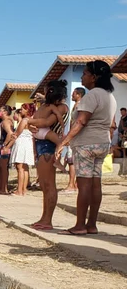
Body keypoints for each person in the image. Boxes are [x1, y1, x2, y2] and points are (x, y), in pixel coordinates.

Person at [56, 60, 116, 235]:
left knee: (84, 186)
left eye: (85, 73)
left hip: (86, 144)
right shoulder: (109, 96)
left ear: (94, 77)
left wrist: (64, 142)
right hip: (102, 142)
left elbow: (81, 121)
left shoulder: (91, 96)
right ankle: (92, 224)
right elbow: (111, 123)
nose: (82, 77)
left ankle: (80, 225)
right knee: (96, 185)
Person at [20, 81, 69, 230]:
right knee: (44, 184)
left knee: (49, 184)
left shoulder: (62, 107)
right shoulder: (49, 106)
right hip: (43, 144)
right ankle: (44, 217)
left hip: (49, 145)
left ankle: (48, 219)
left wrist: (28, 122)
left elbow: (47, 122)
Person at [10, 103, 36, 196]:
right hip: (27, 144)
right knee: (24, 168)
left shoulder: (25, 120)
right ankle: (23, 189)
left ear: (27, 110)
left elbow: (17, 133)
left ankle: (19, 190)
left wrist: (10, 141)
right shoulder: (32, 120)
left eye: (22, 109)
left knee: (20, 167)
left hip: (22, 144)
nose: (21, 110)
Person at [63, 88, 86, 193]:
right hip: (76, 136)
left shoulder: (79, 106)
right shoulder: (78, 105)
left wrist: (70, 136)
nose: (71, 95)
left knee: (71, 161)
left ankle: (72, 184)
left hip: (75, 137)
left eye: (73, 94)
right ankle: (74, 183)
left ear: (78, 94)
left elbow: (76, 123)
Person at [0, 105, 15, 194]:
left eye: (1, 110)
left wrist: (5, 145)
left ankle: (3, 188)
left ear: (5, 112)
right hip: (4, 146)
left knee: (2, 168)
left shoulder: (6, 121)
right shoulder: (8, 120)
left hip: (3, 146)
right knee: (2, 167)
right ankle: (2, 187)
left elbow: (10, 133)